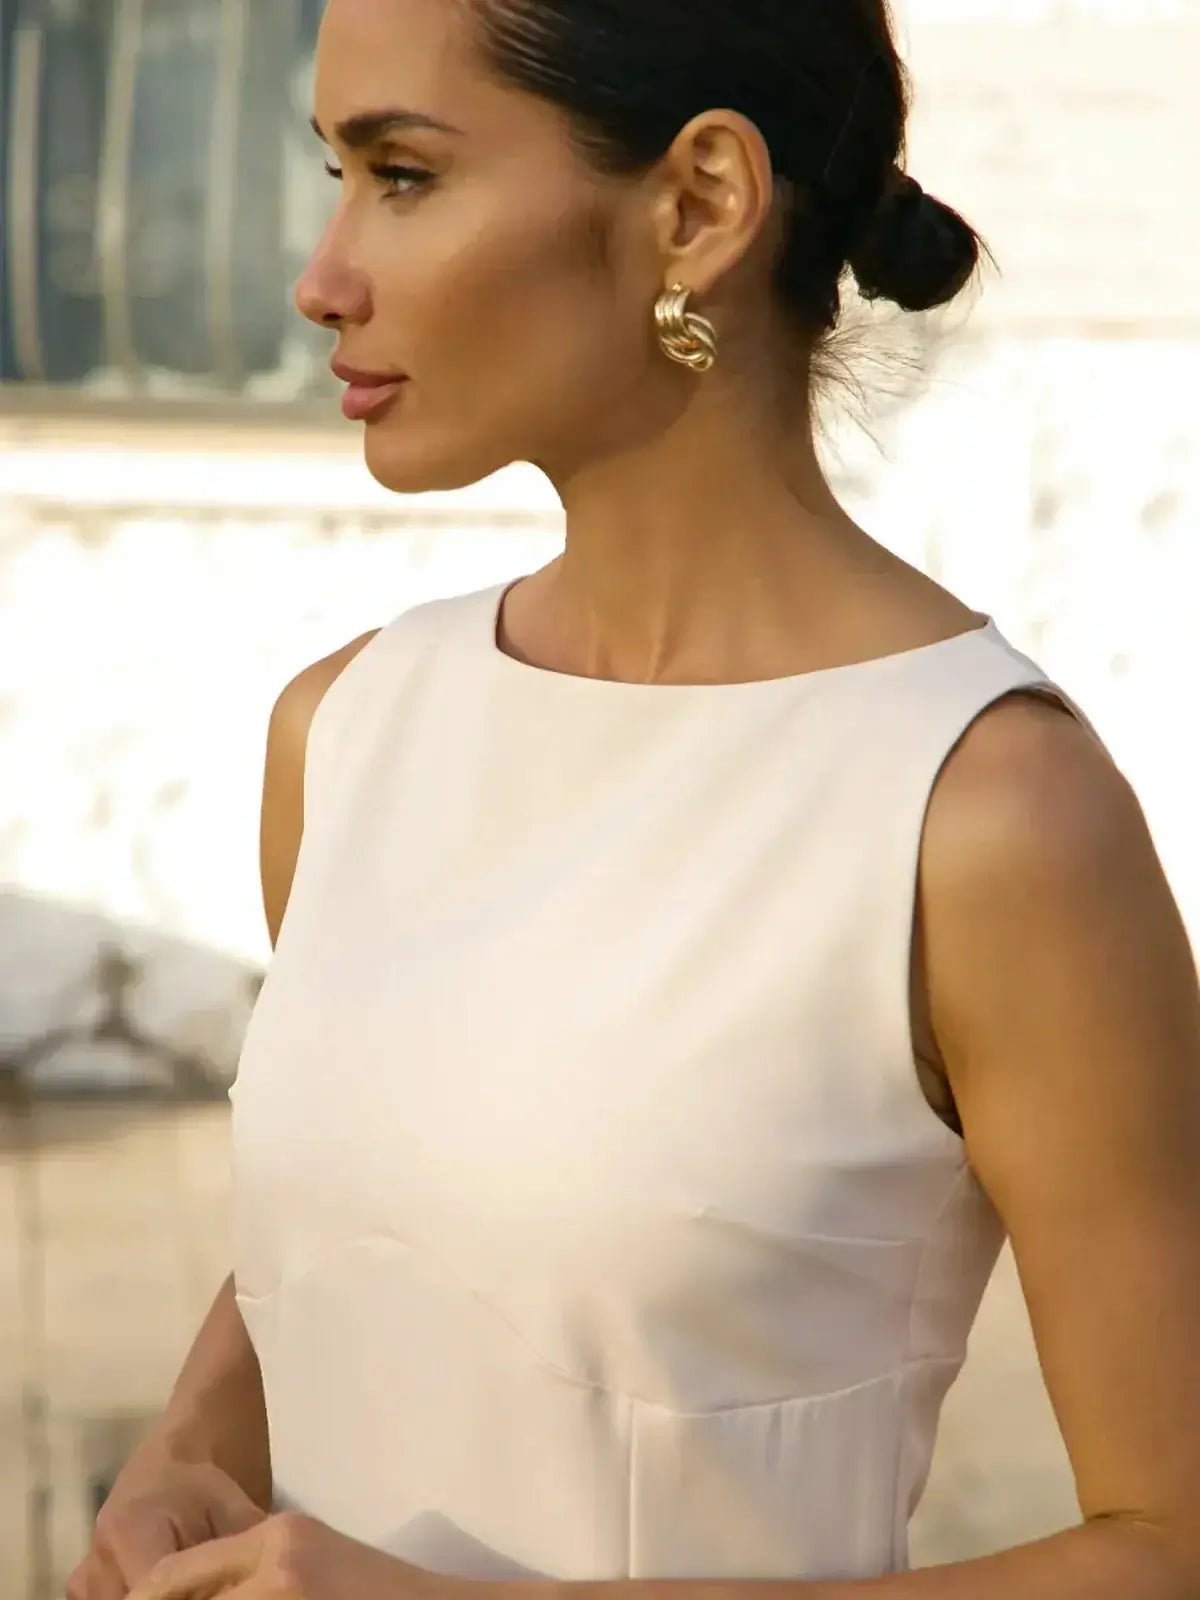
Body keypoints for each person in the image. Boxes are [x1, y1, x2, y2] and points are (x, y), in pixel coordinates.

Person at [69, 1, 1200, 1597]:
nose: (322, 276)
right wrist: (196, 1443)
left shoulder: (984, 814)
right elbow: (387, 1221)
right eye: (336, 173)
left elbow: (1169, 1548)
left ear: (698, 207)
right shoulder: (346, 733)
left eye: (402, 175)